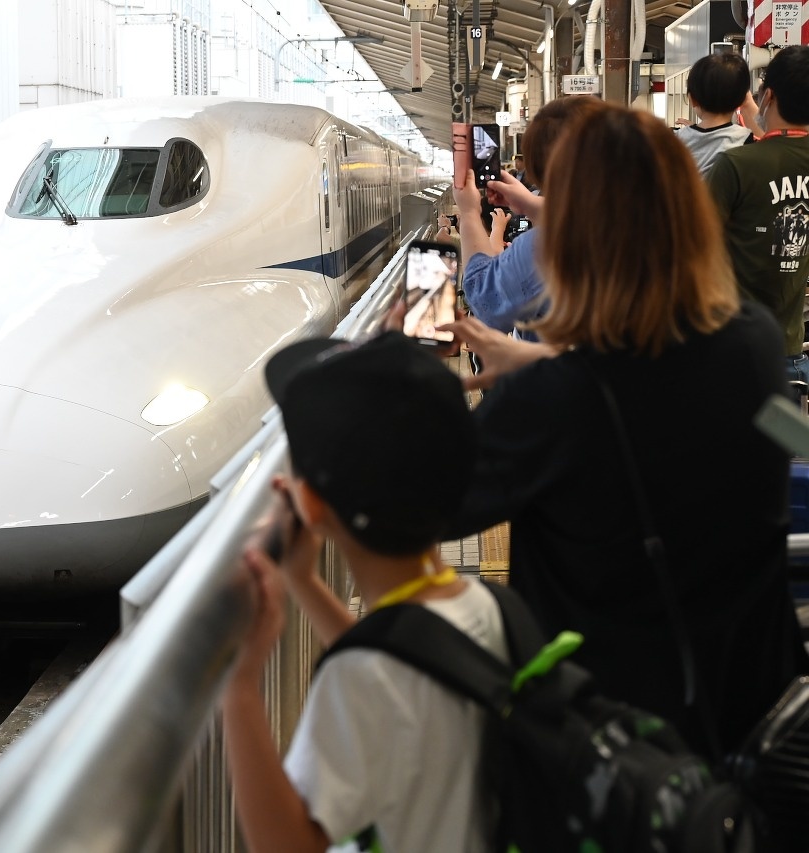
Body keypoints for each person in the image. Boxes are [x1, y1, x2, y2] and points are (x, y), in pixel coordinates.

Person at [446, 104, 808, 759]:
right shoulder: (753, 344)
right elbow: (783, 435)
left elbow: (431, 500)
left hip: (613, 754)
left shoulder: (554, 402)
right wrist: (544, 362)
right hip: (751, 725)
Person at [223, 333, 507, 853]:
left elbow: (289, 844)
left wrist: (239, 687)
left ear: (307, 502)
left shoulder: (361, 680)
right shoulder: (478, 603)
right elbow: (406, 659)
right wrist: (304, 583)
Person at [454, 96, 611, 339]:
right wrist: (530, 204)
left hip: (564, 374)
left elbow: (486, 303)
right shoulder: (660, 217)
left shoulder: (548, 248)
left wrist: (469, 214)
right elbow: (588, 216)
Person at [708, 45, 809, 384]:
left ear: (769, 95)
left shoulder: (737, 165)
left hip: (733, 351)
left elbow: (697, 250)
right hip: (791, 351)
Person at [675, 52, 759, 176]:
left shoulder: (675, 140)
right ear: (742, 100)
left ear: (692, 99)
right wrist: (748, 103)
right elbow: (769, 141)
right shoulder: (745, 140)